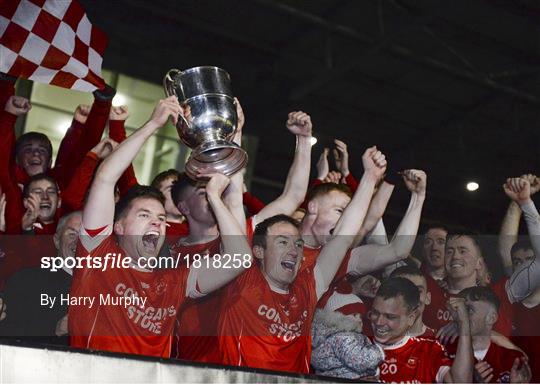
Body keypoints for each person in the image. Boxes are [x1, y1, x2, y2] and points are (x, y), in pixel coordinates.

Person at [68, 96, 253, 358]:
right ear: (118, 227)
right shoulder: (98, 258)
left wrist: (214, 194)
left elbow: (240, 259)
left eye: (161, 218)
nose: (157, 221)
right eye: (144, 215)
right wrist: (153, 124)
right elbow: (106, 178)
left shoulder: (175, 281)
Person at [217, 146, 387, 373]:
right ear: (258, 251)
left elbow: (341, 239)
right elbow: (235, 203)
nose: (293, 250)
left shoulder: (308, 289)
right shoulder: (242, 279)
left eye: (298, 244)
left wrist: (369, 177)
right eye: (282, 242)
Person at [0, 211, 82, 345]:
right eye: (72, 234)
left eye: (87, 236)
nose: (79, 242)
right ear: (56, 240)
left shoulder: (108, 287)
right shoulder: (26, 281)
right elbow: (8, 336)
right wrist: (53, 331)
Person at [370, 277, 473, 383]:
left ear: (411, 318)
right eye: (375, 313)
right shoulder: (357, 345)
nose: (379, 322)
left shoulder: (428, 350)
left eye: (390, 317)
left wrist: (463, 324)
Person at [451, 287, 531, 384]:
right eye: (459, 309)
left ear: (491, 318)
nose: (461, 314)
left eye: (469, 309)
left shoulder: (514, 360)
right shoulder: (442, 351)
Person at [311, 292, 383, 379]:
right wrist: (378, 352)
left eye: (360, 317)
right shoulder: (343, 338)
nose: (359, 320)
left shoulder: (332, 337)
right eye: (354, 315)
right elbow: (358, 360)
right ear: (337, 317)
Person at [389, 265, 436, 338]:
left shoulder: (440, 340)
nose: (411, 297)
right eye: (402, 290)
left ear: (427, 298)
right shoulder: (371, 339)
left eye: (418, 291)